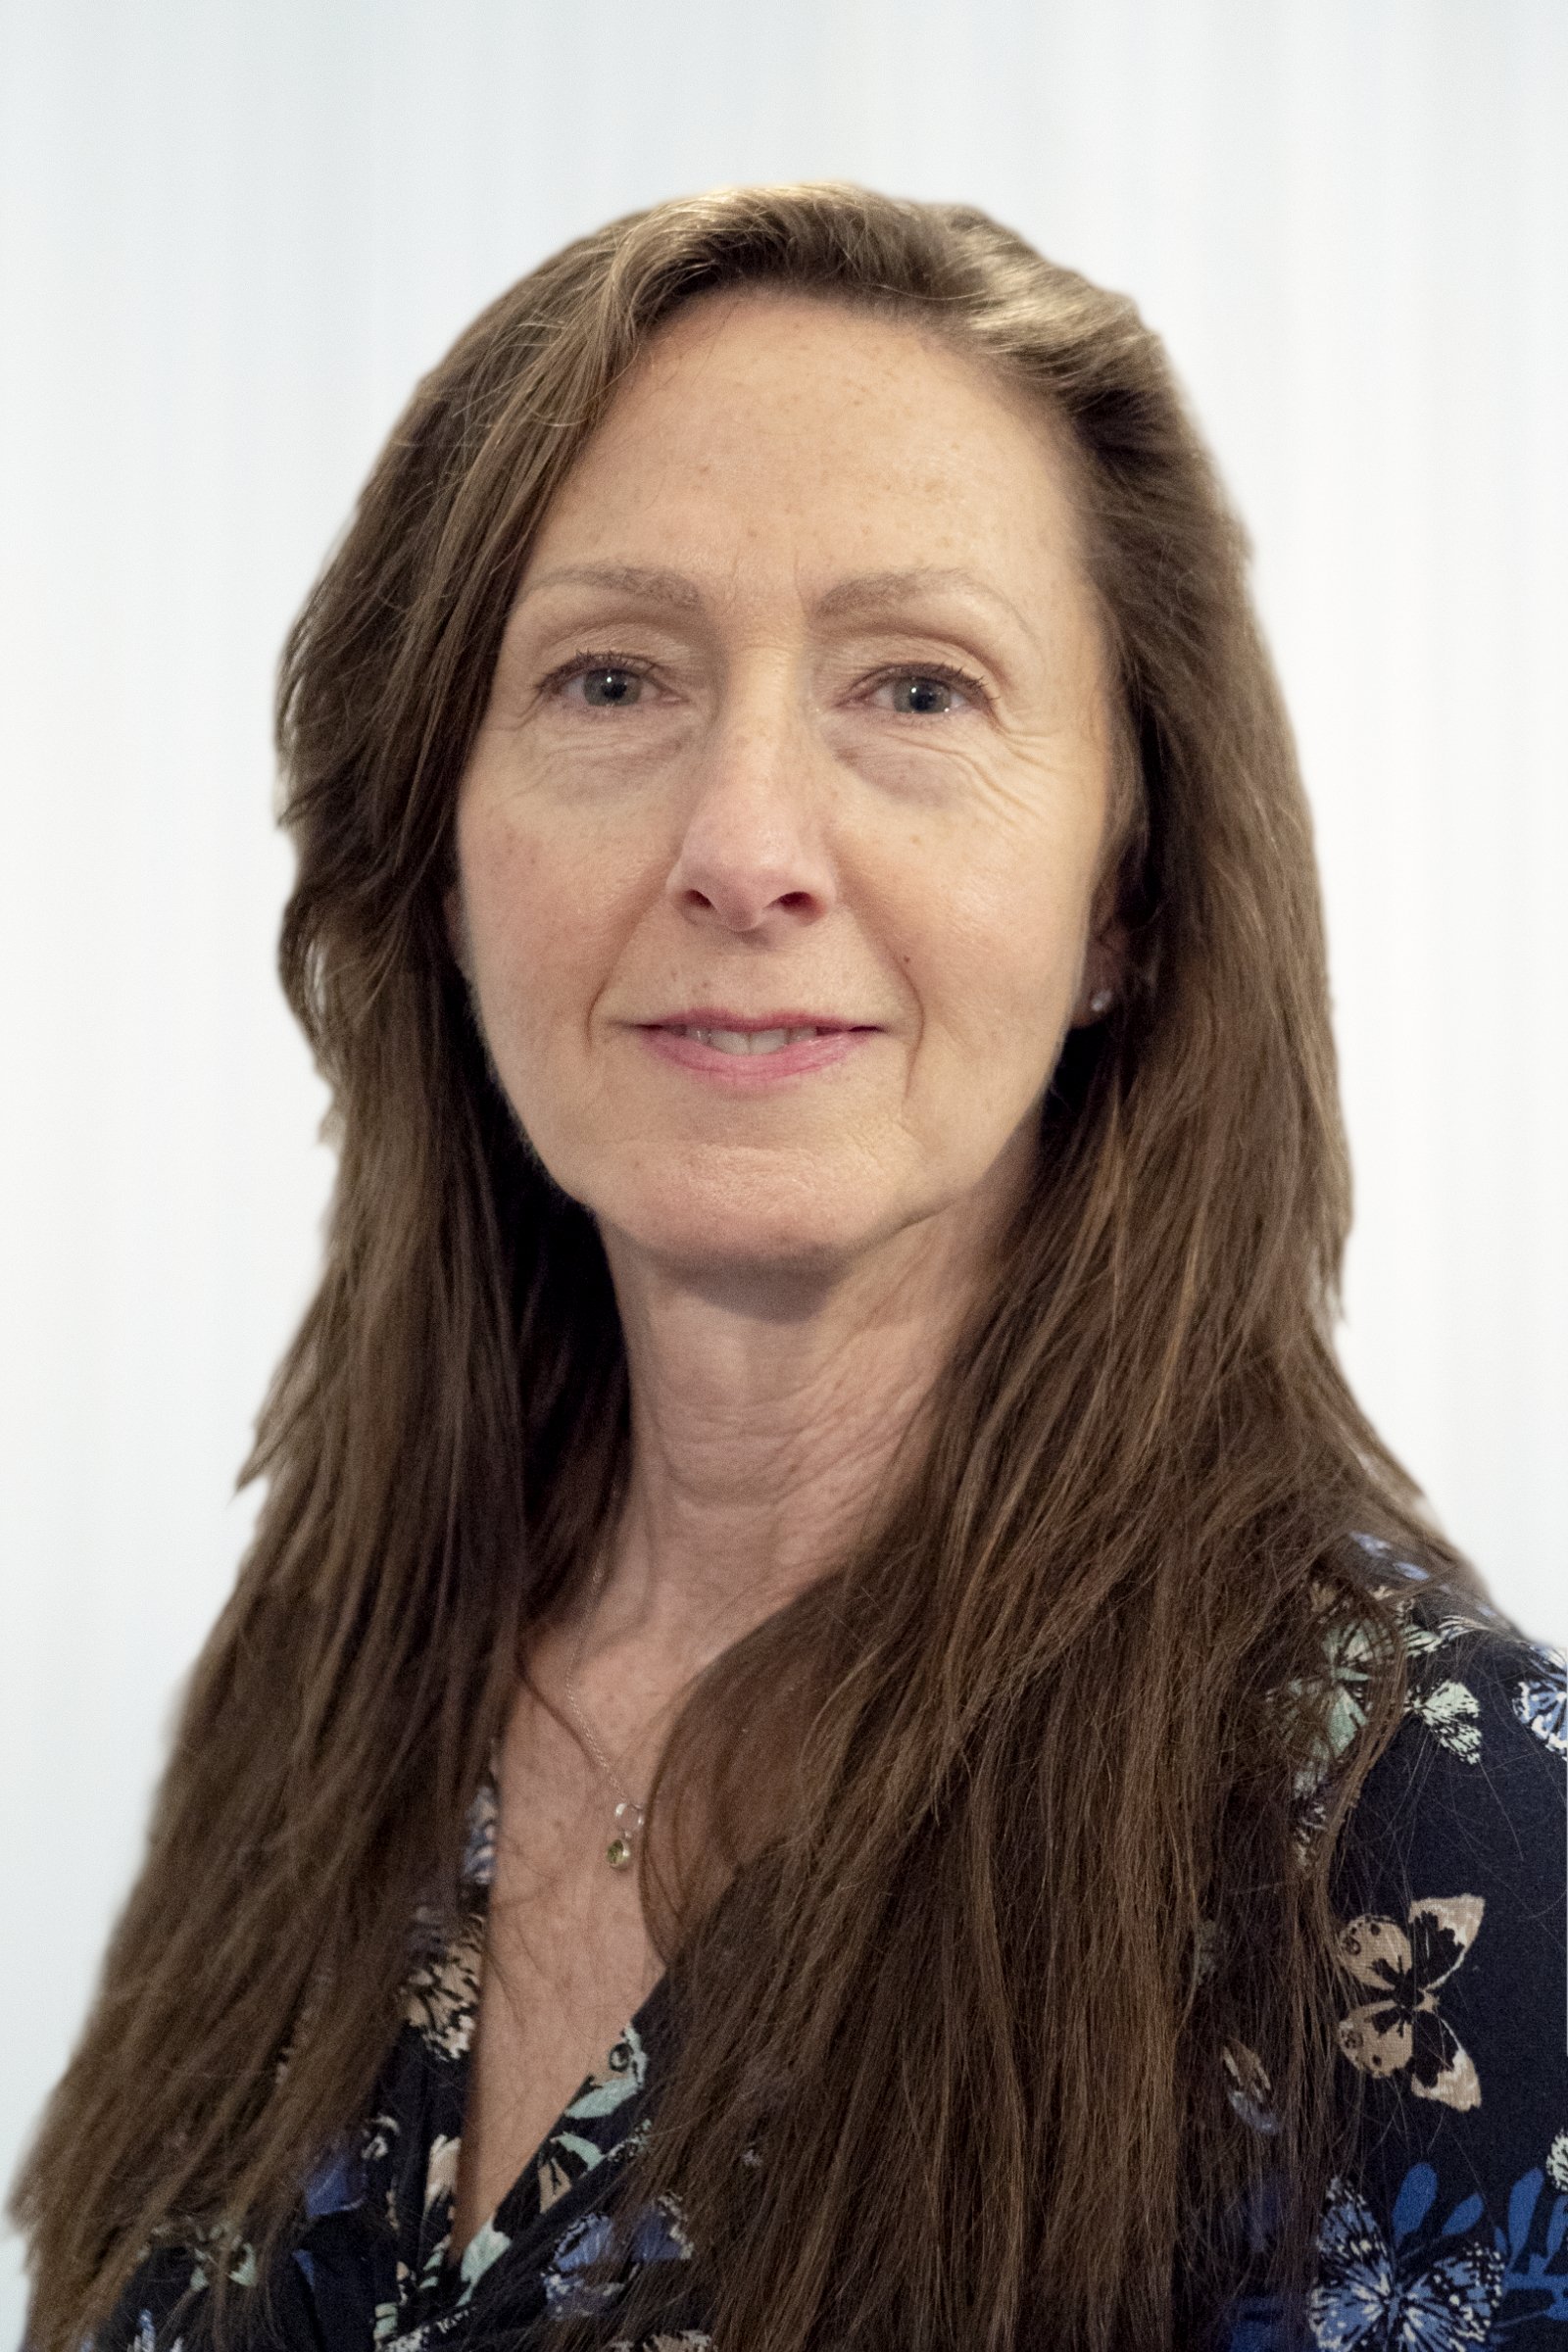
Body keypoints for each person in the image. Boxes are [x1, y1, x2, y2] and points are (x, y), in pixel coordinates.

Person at [11, 182, 1566, 2352]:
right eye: (610, 678)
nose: (743, 850)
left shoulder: (1429, 1841)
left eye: (917, 688)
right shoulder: (340, 1679)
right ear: (440, 861)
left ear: (1124, 896)